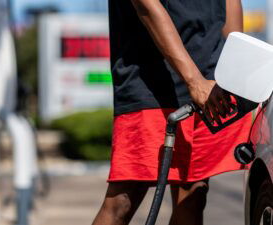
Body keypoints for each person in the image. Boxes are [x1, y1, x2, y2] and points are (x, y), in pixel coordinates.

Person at [92, 0, 251, 225]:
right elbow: (146, 5)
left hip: (210, 77)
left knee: (194, 192)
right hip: (150, 81)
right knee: (124, 198)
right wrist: (193, 81)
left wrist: (237, 68)